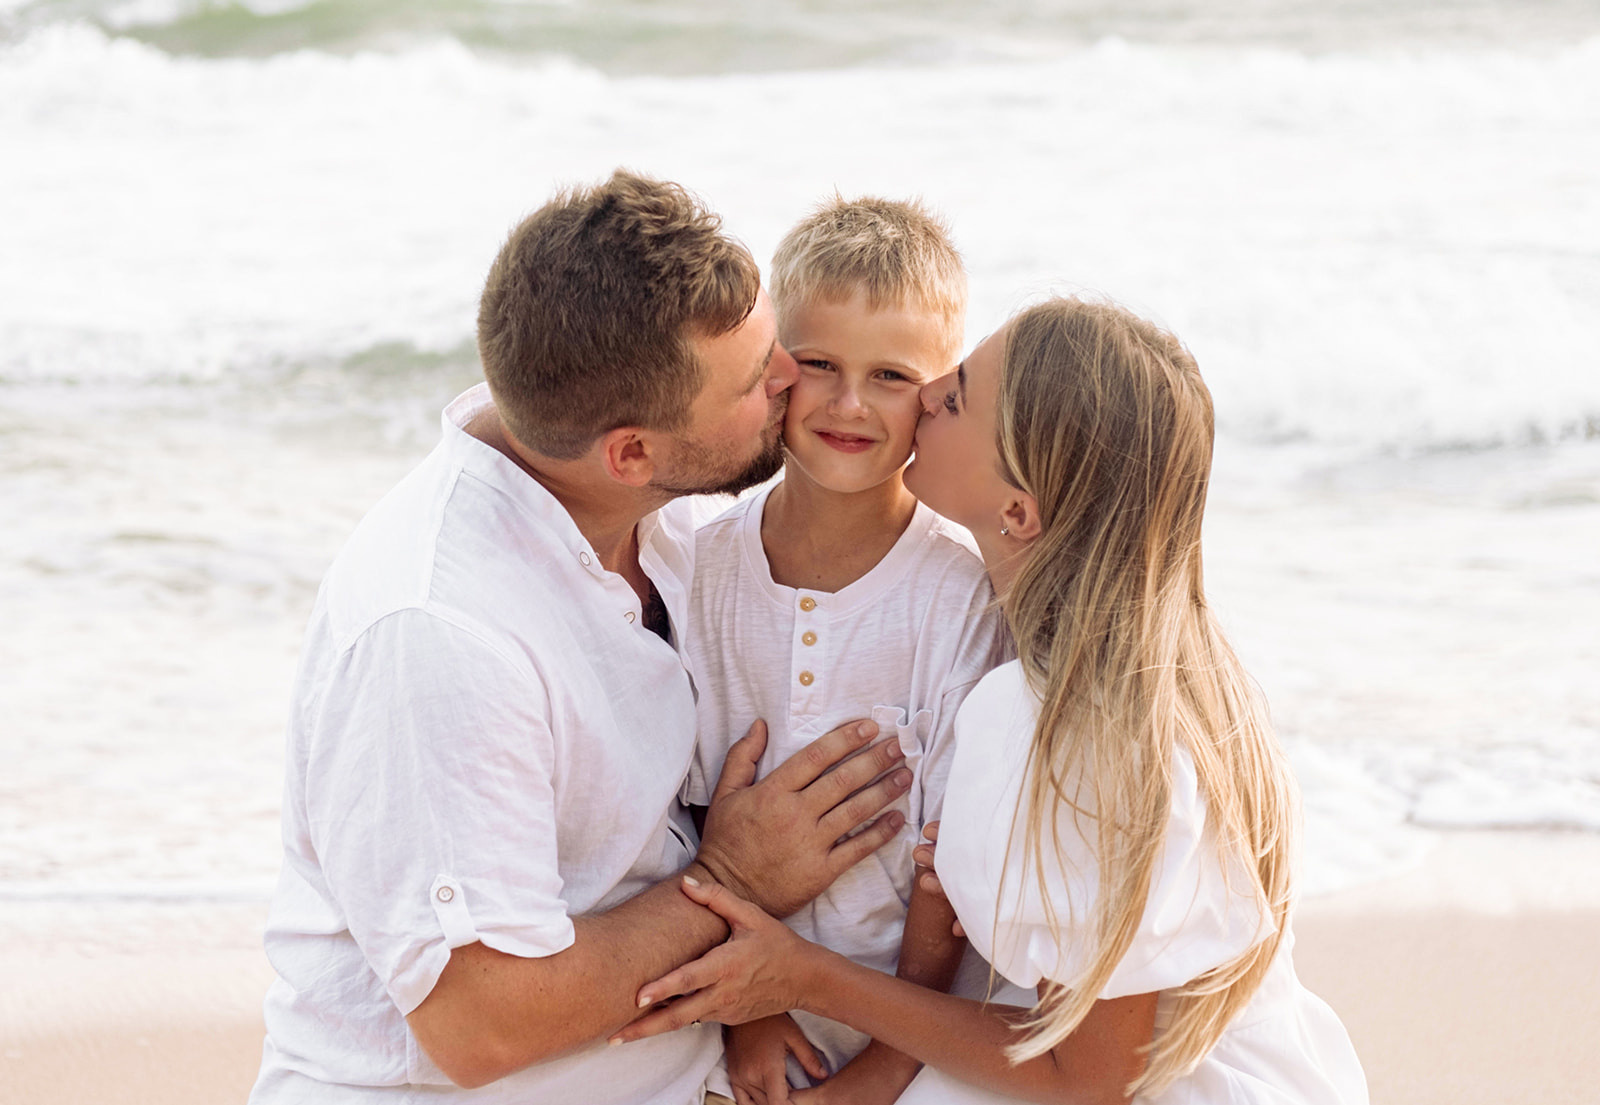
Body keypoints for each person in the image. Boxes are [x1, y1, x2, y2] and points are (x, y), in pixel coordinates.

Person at [248, 170, 918, 1105]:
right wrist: (734, 878)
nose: (789, 378)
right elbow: (481, 1022)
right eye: (753, 380)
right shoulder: (441, 635)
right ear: (631, 452)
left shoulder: (656, 510)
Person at [614, 297, 1370, 1105]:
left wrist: (803, 976)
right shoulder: (1130, 664)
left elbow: (1092, 1077)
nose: (929, 390)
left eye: (959, 395)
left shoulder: (1071, 726)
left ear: (1017, 511)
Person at [682, 196, 1028, 1105]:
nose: (848, 404)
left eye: (890, 376)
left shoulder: (959, 595)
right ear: (774, 365)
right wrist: (749, 1012)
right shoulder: (700, 569)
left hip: (912, 1032)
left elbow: (945, 866)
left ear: (938, 393)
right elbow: (687, 816)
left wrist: (881, 1071)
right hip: (733, 1012)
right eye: (821, 364)